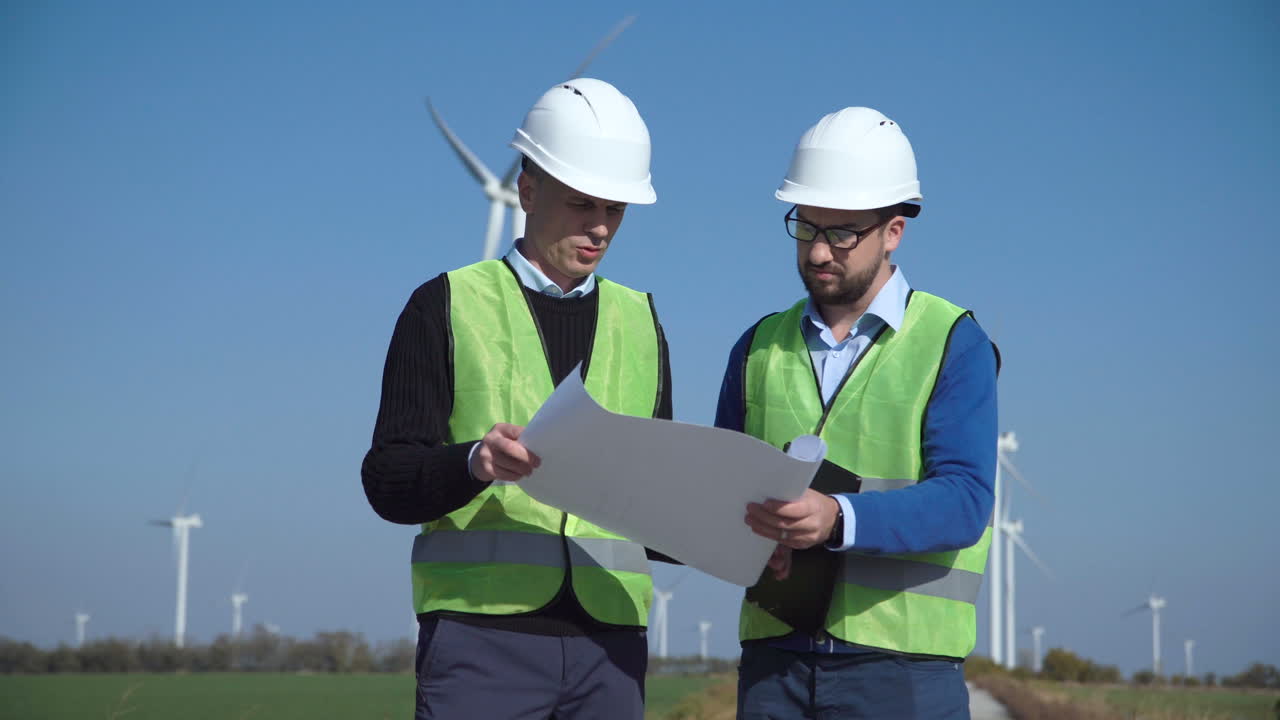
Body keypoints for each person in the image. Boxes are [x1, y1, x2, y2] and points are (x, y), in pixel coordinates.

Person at [361, 78, 672, 720]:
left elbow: (655, 508)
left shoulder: (641, 321)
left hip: (612, 648)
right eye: (582, 202)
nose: (600, 227)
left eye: (615, 208)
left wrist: (735, 518)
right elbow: (389, 480)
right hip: (481, 643)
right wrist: (475, 461)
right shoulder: (444, 305)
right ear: (526, 189)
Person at [715, 107, 999, 719]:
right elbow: (721, 487)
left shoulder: (953, 341)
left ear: (893, 230)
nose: (818, 251)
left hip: (903, 672)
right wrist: (747, 536)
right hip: (774, 665)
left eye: (841, 233)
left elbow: (965, 500)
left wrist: (838, 518)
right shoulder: (757, 345)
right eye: (805, 227)